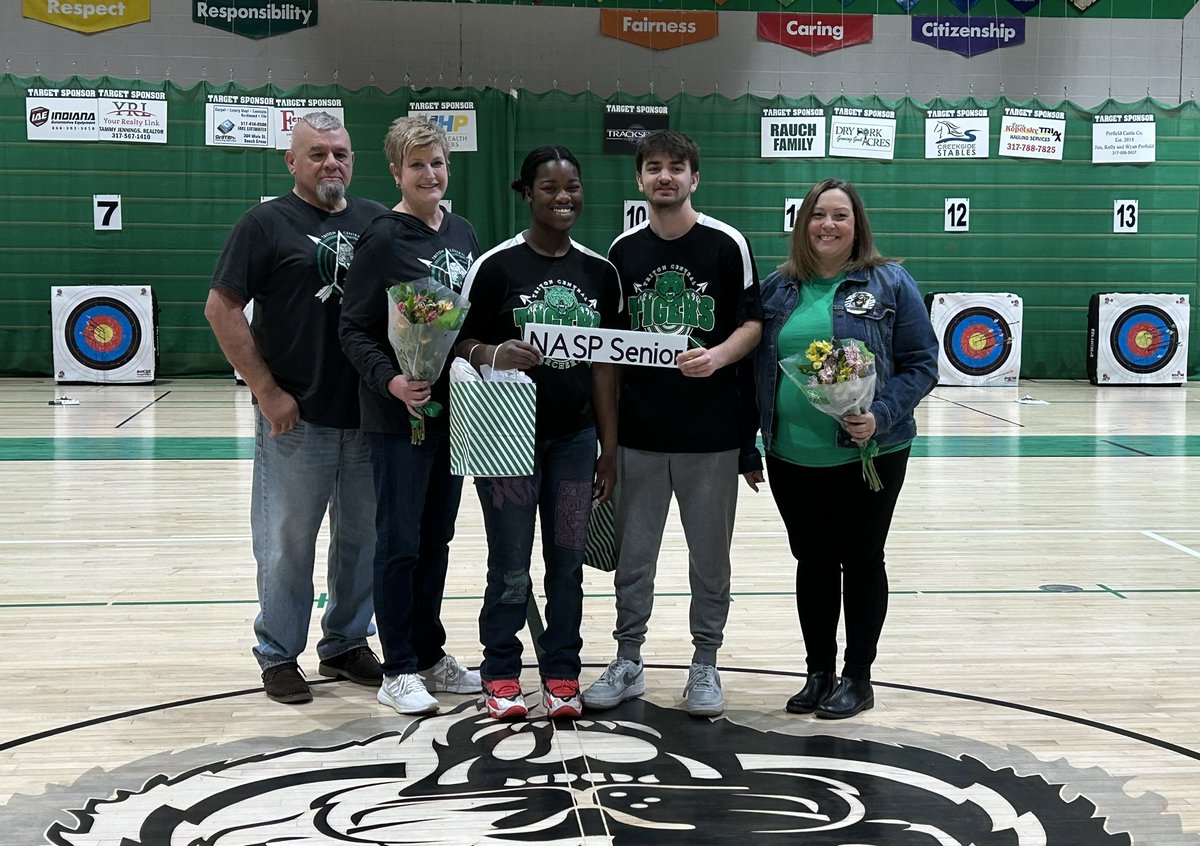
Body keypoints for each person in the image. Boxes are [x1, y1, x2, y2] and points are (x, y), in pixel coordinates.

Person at [205, 112, 386, 704]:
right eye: (316, 154)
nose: (330, 163)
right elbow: (222, 309)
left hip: (367, 414)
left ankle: (345, 643)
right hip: (296, 417)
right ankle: (279, 653)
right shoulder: (264, 222)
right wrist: (265, 390)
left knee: (363, 538)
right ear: (291, 162)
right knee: (287, 541)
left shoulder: (378, 222)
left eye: (340, 152)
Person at [582, 130, 762, 718]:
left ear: (694, 178)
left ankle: (705, 662)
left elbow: (753, 325)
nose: (665, 177)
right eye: (654, 167)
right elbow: (607, 351)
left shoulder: (726, 243)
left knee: (710, 559)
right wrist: (608, 445)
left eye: (676, 167)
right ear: (639, 179)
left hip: (710, 436)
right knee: (634, 557)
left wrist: (717, 356)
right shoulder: (623, 251)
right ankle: (628, 659)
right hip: (639, 435)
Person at [748, 177, 938, 719]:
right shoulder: (776, 289)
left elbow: (923, 364)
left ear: (857, 226)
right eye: (818, 215)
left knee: (859, 560)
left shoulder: (890, 282)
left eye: (840, 216)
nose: (827, 225)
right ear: (802, 224)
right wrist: (748, 443)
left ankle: (858, 677)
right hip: (790, 456)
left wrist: (879, 415)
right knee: (811, 562)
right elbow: (752, 369)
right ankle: (817, 672)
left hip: (867, 456)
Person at [454, 146, 621, 720]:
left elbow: (606, 366)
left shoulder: (601, 273)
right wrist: (492, 350)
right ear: (527, 194)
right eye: (549, 188)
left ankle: (562, 674)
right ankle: (500, 670)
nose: (563, 197)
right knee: (509, 560)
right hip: (507, 441)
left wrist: (608, 450)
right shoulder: (497, 266)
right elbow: (455, 341)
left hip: (575, 444)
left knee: (568, 560)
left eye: (572, 186)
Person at [339, 116, 482, 716]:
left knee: (437, 537)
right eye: (417, 164)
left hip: (457, 415)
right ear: (396, 171)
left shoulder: (465, 233)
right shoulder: (382, 237)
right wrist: (393, 380)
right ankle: (396, 666)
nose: (430, 174)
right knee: (398, 541)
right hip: (400, 416)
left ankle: (428, 652)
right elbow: (353, 327)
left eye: (438, 163)